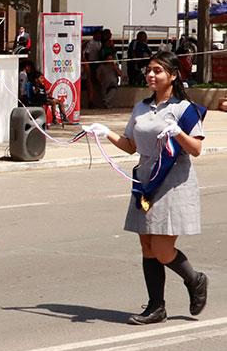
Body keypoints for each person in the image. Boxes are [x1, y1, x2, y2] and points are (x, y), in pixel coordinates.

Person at [82, 51, 208, 325]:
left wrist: (178, 133)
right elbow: (131, 146)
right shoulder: (141, 107)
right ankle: (156, 306)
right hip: (146, 181)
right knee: (147, 246)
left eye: (158, 71)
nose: (151, 75)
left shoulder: (183, 110)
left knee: (163, 250)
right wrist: (105, 132)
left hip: (173, 183)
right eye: (149, 70)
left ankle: (195, 279)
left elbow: (196, 149)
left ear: (173, 76)